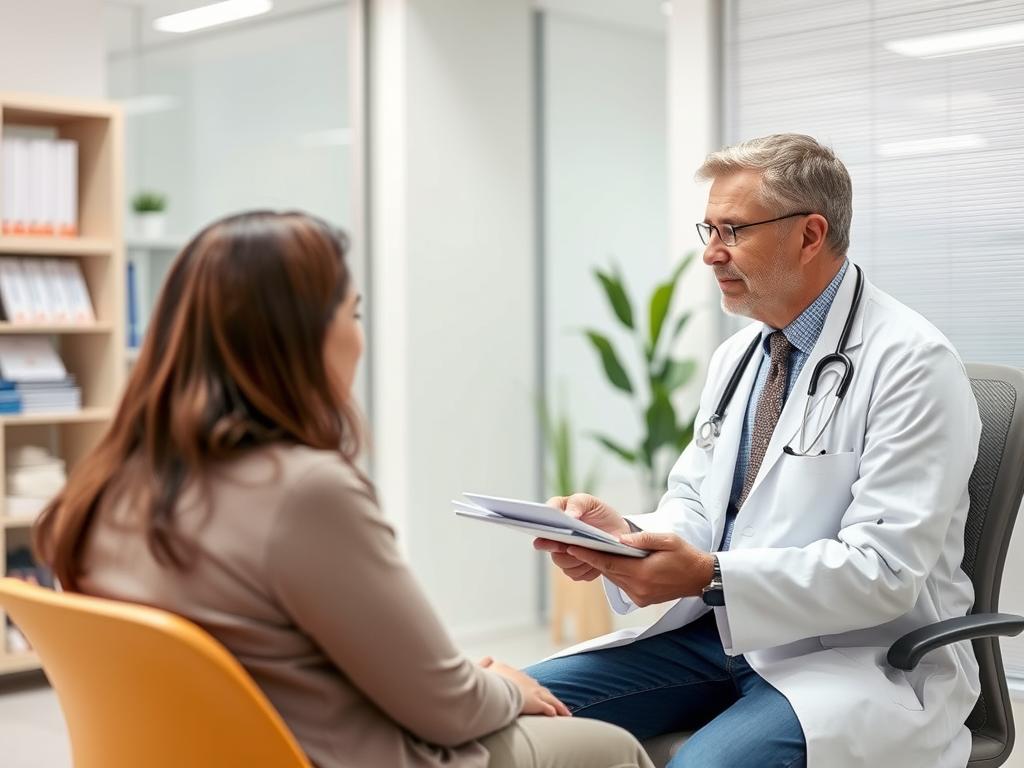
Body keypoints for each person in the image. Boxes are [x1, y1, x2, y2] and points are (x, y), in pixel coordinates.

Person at [32, 211, 653, 768]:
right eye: (351, 313)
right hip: (328, 753)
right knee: (607, 746)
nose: (359, 336)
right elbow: (445, 709)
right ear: (298, 338)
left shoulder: (105, 484)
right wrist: (504, 686)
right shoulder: (304, 492)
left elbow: (300, 657)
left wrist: (468, 679)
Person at [527, 134, 982, 768]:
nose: (711, 254)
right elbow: (697, 503)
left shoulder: (911, 362)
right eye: (707, 229)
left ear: (809, 234)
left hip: (853, 656)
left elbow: (884, 572)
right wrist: (624, 539)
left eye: (733, 230)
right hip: (719, 635)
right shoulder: (740, 356)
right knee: (507, 707)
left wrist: (710, 575)